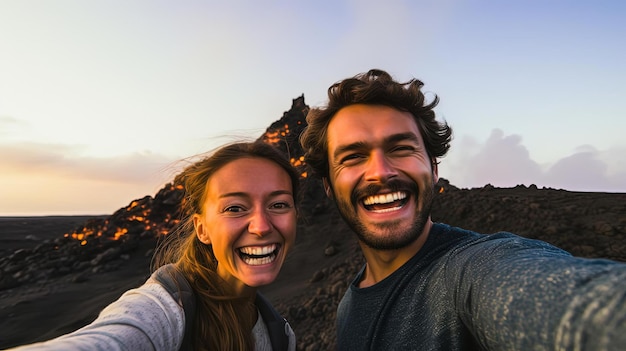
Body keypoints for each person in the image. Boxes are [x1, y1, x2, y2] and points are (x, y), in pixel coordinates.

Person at [300, 69, 626, 350]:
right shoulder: (347, 307)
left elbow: (572, 306)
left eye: (400, 148)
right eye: (353, 157)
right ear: (328, 186)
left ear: (433, 168)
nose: (381, 172)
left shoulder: (471, 270)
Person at [9, 141, 298, 351]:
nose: (261, 226)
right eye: (235, 208)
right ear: (202, 229)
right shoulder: (166, 310)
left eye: (279, 204)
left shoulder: (281, 335)